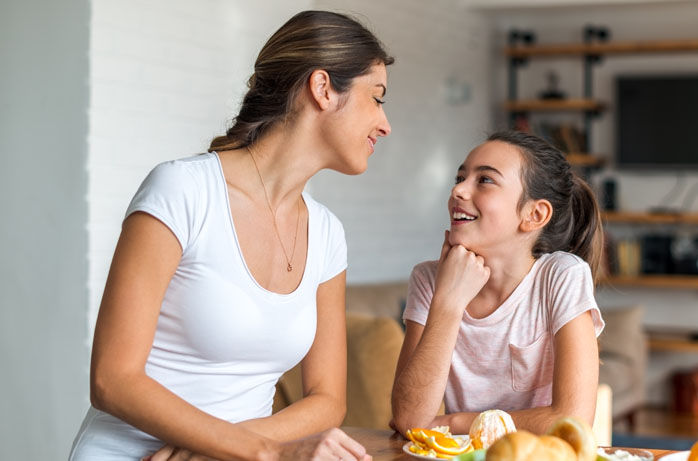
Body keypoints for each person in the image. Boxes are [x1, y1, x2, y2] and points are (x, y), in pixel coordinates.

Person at [70, 10, 392, 461]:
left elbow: (327, 400)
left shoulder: (327, 234)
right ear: (323, 89)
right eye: (377, 98)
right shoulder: (183, 190)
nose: (384, 123)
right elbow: (112, 378)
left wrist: (220, 449)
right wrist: (256, 452)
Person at [391, 130, 605, 436]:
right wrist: (448, 303)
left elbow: (573, 421)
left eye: (485, 180)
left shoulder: (561, 277)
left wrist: (455, 422)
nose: (458, 191)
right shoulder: (428, 280)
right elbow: (409, 419)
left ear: (534, 214)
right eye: (459, 178)